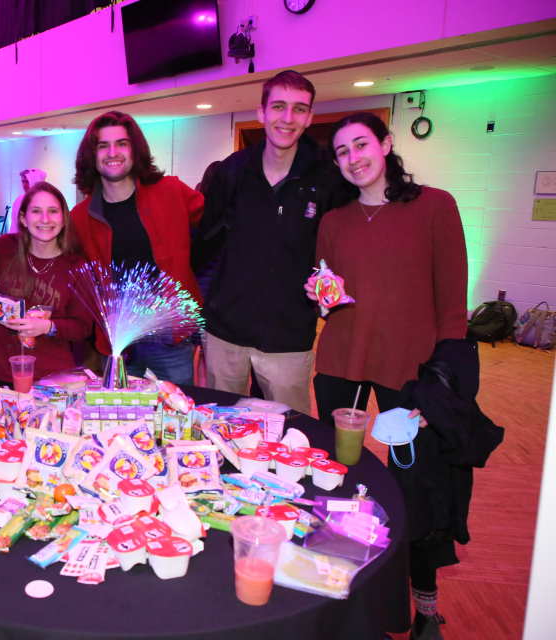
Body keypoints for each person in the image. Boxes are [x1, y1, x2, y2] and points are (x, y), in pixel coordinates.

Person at [307, 111, 468, 640]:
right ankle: (341, 582)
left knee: (417, 487)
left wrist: (445, 377)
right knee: (338, 477)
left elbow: (452, 302)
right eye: (342, 152)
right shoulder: (334, 221)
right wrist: (320, 296)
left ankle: (424, 604)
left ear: (386, 143)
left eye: (361, 145)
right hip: (342, 363)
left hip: (411, 371)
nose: (353, 159)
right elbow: (330, 296)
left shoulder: (435, 207)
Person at [199, 70, 346, 414]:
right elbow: (206, 245)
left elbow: (337, 249)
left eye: (298, 109)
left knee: (287, 435)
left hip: (288, 338)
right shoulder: (231, 172)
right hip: (226, 335)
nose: (287, 118)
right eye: (278, 107)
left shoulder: (327, 177)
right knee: (220, 427)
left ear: (310, 117)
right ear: (261, 112)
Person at [71, 110, 203, 385]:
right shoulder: (81, 216)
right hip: (118, 340)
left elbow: (216, 231)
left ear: (135, 150)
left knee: (176, 413)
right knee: (119, 416)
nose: (112, 152)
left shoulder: (171, 191)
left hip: (169, 335)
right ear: (92, 156)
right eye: (103, 145)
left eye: (122, 143)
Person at [0, 181, 92, 387]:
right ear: (23, 219)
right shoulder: (3, 250)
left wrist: (47, 326)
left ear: (63, 219)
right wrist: (2, 314)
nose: (45, 219)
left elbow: (83, 327)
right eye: (36, 211)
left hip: (55, 376)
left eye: (53, 211)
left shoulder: (77, 265)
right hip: (5, 370)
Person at [7, 168, 47, 234]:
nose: (24, 185)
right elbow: (14, 226)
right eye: (23, 181)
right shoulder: (19, 200)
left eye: (27, 181)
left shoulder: (48, 200)